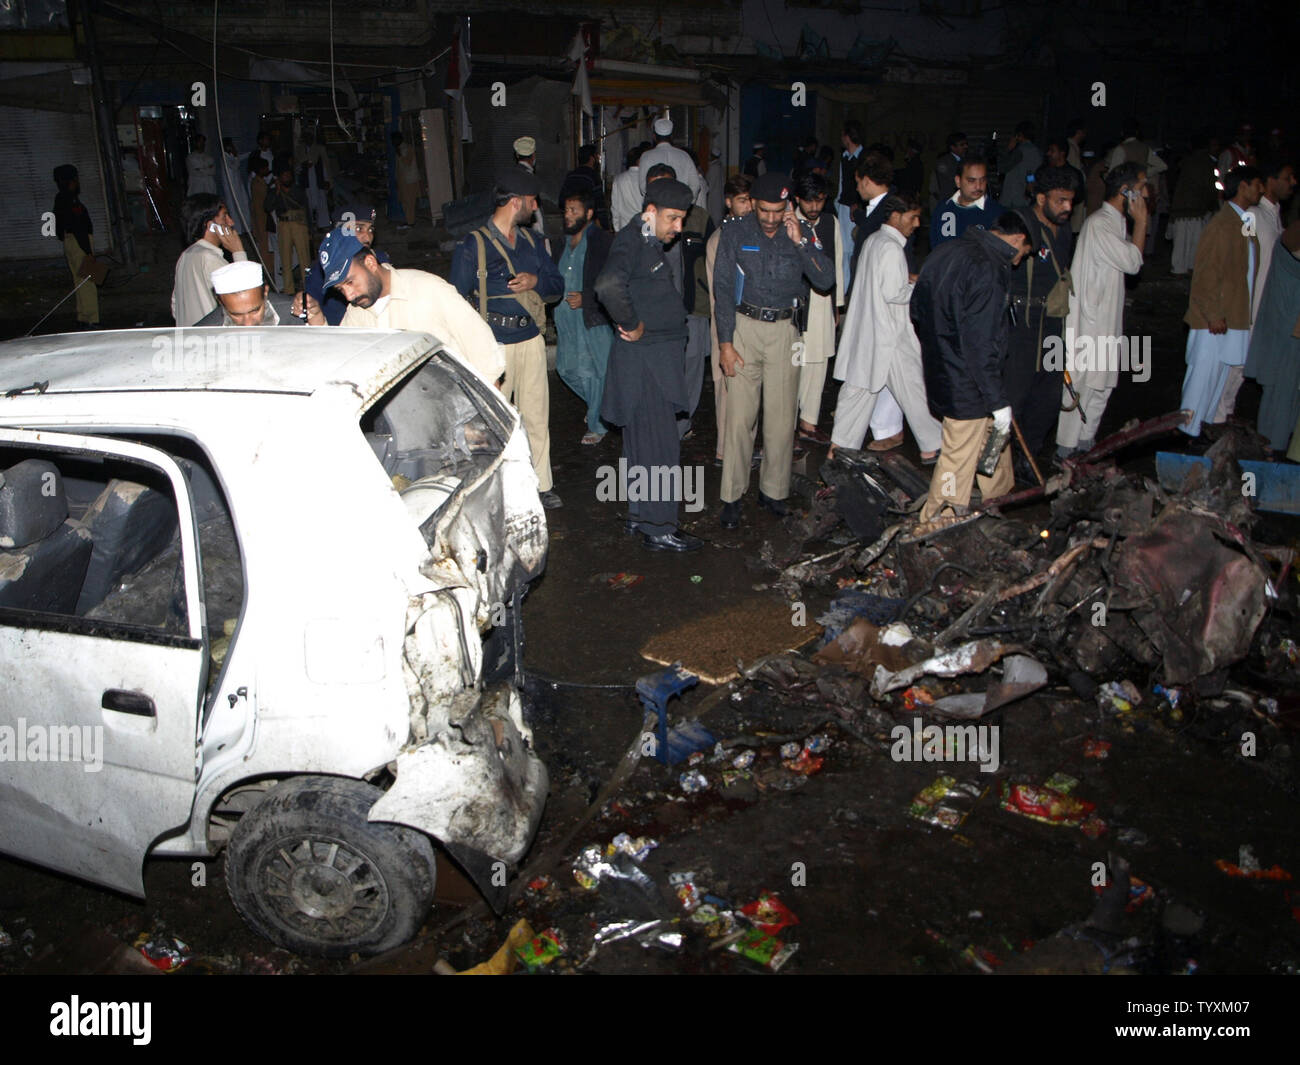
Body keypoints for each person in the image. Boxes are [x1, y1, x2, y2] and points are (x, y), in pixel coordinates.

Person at [713, 172, 833, 528]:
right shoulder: (735, 231)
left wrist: (801, 242)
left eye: (777, 211)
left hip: (786, 332)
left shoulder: (800, 232)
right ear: (752, 204)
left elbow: (825, 280)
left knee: (782, 420)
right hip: (745, 329)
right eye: (763, 210)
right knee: (739, 419)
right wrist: (725, 344)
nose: (769, 218)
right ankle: (732, 496)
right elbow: (721, 287)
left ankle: (773, 491)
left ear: (788, 207)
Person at [595, 178, 701, 551]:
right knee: (660, 449)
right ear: (650, 212)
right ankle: (659, 528)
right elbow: (608, 285)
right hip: (649, 366)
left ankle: (641, 516)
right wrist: (631, 323)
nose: (678, 228)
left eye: (682, 219)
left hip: (650, 363)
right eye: (673, 218)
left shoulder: (643, 240)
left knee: (641, 447)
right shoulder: (632, 240)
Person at [450, 170, 565, 508]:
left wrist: (535, 283)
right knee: (493, 423)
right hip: (493, 345)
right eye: (532, 202)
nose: (535, 207)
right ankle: (496, 491)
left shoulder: (531, 242)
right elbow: (456, 301)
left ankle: (542, 485)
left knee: (536, 417)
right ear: (516, 202)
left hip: (530, 340)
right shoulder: (474, 244)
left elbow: (556, 286)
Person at [912, 213, 1031, 523]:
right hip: (968, 384)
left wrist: (942, 345)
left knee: (995, 440)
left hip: (942, 369)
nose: (1019, 262)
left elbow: (916, 310)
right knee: (956, 462)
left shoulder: (945, 251)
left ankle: (996, 502)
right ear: (1018, 240)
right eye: (1024, 254)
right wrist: (995, 398)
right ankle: (933, 528)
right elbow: (981, 345)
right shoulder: (989, 269)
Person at [297, 227, 506, 388]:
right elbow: (341, 360)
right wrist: (316, 317)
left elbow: (484, 355)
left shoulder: (429, 289)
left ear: (370, 263)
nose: (348, 295)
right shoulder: (357, 311)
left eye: (350, 282)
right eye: (340, 289)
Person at [830, 194, 940, 463]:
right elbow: (894, 292)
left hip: (872, 335)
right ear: (896, 215)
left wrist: (907, 279)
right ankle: (932, 445)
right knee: (913, 390)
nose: (916, 223)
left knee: (857, 393)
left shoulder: (874, 240)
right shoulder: (891, 247)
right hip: (891, 336)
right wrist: (919, 285)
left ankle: (839, 450)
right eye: (912, 217)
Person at [1056, 162, 1147, 455]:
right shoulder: (1100, 224)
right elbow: (1133, 262)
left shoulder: (1116, 222)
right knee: (1082, 384)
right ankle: (1066, 449)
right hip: (1090, 321)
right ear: (1126, 191)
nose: (1147, 193)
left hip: (1105, 318)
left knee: (1103, 384)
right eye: (1142, 187)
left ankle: (1086, 441)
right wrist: (1143, 222)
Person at [1178, 165, 1264, 437]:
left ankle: (1201, 430)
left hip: (1233, 314)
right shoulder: (1221, 224)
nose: (1261, 190)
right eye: (1257, 184)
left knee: (1218, 379)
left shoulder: (1244, 222)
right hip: (1213, 319)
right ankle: (1186, 433)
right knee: (1201, 379)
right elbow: (1205, 274)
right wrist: (1213, 313)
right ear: (1243, 186)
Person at [1003, 165, 1077, 461]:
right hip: (1021, 323)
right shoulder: (1018, 222)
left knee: (1048, 397)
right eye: (1061, 200)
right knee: (1013, 397)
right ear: (1042, 198)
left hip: (1054, 322)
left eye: (1071, 200)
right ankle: (993, 464)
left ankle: (1028, 458)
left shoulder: (1066, 229)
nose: (1068, 207)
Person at [1217, 157, 1297, 422]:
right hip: (1247, 305)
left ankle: (1224, 415)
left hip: (1264, 306)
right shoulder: (1252, 215)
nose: (1292, 183)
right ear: (1268, 182)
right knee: (1233, 364)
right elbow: (1237, 256)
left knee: (1243, 365)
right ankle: (1216, 417)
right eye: (1287, 178)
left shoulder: (1274, 218)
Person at [551, 187, 614, 444]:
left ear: (588, 213)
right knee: (565, 368)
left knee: (594, 370)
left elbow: (613, 280)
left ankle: (598, 424)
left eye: (573, 210)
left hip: (592, 317)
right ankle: (599, 408)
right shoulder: (560, 243)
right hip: (565, 318)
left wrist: (587, 297)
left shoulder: (601, 241)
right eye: (566, 210)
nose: (568, 215)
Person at [705, 174, 754, 465]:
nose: (747, 206)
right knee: (726, 387)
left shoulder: (756, 234)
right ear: (728, 202)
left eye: (750, 200)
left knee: (749, 386)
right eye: (741, 200)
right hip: (726, 322)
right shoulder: (719, 239)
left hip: (751, 323)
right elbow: (719, 293)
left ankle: (743, 446)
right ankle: (724, 450)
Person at [792, 171, 842, 444]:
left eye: (820, 201)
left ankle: (808, 422)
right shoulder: (789, 223)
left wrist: (837, 304)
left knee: (820, 361)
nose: (814, 207)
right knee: (796, 361)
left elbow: (838, 263)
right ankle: (788, 419)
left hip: (823, 301)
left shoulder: (830, 222)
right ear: (798, 199)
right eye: (809, 201)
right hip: (798, 304)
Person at [1245, 220, 1300, 453]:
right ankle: (1271, 447)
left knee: (1288, 391)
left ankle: (1277, 444)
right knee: (1280, 390)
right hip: (1287, 327)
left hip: (1289, 325)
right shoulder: (1292, 238)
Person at [303, 201, 391, 325]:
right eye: (359, 228)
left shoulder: (380, 260)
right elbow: (313, 312)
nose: (367, 237)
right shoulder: (322, 271)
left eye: (370, 230)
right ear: (340, 232)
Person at [171, 194, 248, 327]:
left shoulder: (185, 256)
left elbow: (175, 308)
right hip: (211, 339)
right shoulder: (209, 258)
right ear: (211, 226)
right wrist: (238, 252)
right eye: (225, 216)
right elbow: (245, 300)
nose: (231, 222)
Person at [52, 164, 99, 329]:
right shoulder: (72, 200)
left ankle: (82, 316)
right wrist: (88, 252)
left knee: (78, 281)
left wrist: (64, 238)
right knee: (88, 281)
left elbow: (56, 223)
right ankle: (92, 319)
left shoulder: (59, 198)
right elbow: (80, 227)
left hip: (69, 242)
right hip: (80, 243)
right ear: (72, 180)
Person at [1167, 135, 1222, 276]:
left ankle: (1180, 269)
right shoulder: (1206, 162)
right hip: (1196, 207)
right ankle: (1189, 268)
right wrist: (1214, 203)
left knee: (1182, 242)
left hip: (1183, 207)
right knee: (1194, 242)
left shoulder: (1187, 161)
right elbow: (1209, 186)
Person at [196, 260, 303, 326]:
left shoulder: (294, 315)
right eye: (236, 314)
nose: (248, 324)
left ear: (266, 292)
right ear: (220, 301)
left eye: (255, 310)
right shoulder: (205, 333)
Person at [930, 153, 1004, 248]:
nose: (978, 186)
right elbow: (935, 248)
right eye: (971, 181)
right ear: (958, 181)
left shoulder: (996, 213)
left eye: (982, 180)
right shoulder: (943, 208)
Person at [265, 163, 312, 295]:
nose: (286, 178)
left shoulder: (298, 190)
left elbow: (306, 209)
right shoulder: (274, 191)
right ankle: (288, 289)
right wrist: (276, 192)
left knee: (304, 257)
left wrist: (310, 231)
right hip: (283, 224)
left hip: (298, 223)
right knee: (285, 258)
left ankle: (308, 286)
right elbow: (267, 207)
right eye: (284, 176)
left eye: (288, 175)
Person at [639, 117, 705, 207]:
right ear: (672, 136)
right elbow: (695, 185)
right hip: (679, 208)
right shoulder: (684, 155)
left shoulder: (646, 156)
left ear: (654, 137)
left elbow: (643, 187)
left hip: (658, 211)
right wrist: (686, 204)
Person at [838, 121, 865, 282]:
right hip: (843, 204)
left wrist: (858, 204)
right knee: (844, 248)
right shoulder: (845, 157)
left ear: (847, 137)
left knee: (852, 247)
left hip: (855, 207)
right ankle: (845, 285)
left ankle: (852, 282)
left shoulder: (863, 157)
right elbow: (843, 183)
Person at [1045, 138, 1086, 234]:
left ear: (1062, 153)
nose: (1048, 154)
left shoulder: (1074, 174)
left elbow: (1080, 196)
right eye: (1048, 150)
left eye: (1052, 151)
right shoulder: (1044, 172)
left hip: (1064, 224)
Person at [999, 121, 1043, 209]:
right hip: (1026, 199)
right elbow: (1031, 172)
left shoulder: (1020, 151)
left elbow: (1003, 167)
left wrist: (1009, 149)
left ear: (1019, 135)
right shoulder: (1037, 152)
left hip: (1013, 199)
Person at [611, 143, 651, 232]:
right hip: (644, 226)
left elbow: (615, 207)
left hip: (624, 227)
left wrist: (617, 228)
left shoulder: (618, 179)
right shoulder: (646, 178)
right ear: (639, 161)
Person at [299, 127, 331, 231]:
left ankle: (322, 225)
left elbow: (325, 166)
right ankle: (310, 225)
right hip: (306, 181)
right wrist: (303, 166)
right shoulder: (300, 149)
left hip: (318, 179)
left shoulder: (319, 149)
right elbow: (297, 165)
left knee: (321, 203)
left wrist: (327, 180)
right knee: (307, 203)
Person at [247, 154, 274, 280]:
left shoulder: (260, 181)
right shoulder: (257, 183)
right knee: (264, 244)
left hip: (261, 216)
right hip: (261, 217)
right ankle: (268, 271)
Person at [513, 136, 546, 236]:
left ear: (517, 155)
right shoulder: (530, 178)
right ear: (533, 156)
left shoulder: (511, 176)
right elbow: (536, 212)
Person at [220, 138, 253, 239]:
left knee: (244, 204)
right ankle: (237, 230)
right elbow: (234, 165)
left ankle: (246, 228)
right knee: (234, 208)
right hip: (231, 188)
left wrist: (249, 153)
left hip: (238, 185)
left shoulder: (231, 156)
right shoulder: (225, 157)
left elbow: (240, 157)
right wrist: (236, 157)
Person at [929, 131, 967, 212]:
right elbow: (952, 182)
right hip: (950, 204)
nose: (965, 147)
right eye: (962, 145)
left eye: (966, 144)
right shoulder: (944, 162)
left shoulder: (965, 161)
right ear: (953, 147)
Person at [392, 131, 420, 231]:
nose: (393, 142)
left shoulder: (407, 148)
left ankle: (411, 222)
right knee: (405, 202)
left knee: (410, 202)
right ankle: (409, 221)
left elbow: (407, 162)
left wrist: (399, 155)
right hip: (403, 181)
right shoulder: (399, 149)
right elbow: (398, 167)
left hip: (410, 180)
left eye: (394, 140)